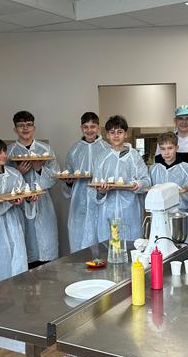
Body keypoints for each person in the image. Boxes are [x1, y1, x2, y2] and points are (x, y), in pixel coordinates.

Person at [8, 111, 60, 268]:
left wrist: (39, 169)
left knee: (46, 247)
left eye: (29, 125)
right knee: (26, 246)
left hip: (43, 203)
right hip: (20, 205)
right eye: (21, 125)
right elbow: (3, 181)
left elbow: (55, 176)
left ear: (34, 127)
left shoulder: (45, 149)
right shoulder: (9, 151)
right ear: (15, 129)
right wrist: (18, 173)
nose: (25, 128)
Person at [0, 137, 35, 284]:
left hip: (15, 221)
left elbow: (24, 191)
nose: (3, 155)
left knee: (18, 256)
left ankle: (19, 288)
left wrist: (29, 198)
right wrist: (8, 203)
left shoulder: (14, 173)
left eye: (4, 152)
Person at [93, 115, 150, 243]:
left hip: (130, 211)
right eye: (112, 132)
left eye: (120, 132)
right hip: (107, 212)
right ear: (107, 135)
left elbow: (146, 180)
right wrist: (101, 192)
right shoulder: (102, 158)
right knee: (110, 248)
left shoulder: (134, 156)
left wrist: (138, 184)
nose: (116, 136)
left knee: (131, 247)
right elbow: (95, 186)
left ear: (126, 134)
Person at [155, 105, 188, 238]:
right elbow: (159, 163)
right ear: (175, 120)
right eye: (180, 118)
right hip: (166, 198)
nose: (184, 122)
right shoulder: (167, 139)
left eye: (187, 118)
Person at [63, 112, 110, 253]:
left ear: (98, 127)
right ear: (81, 128)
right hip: (79, 202)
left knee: (102, 237)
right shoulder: (74, 150)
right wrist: (69, 183)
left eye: (93, 126)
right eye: (86, 127)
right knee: (79, 238)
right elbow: (67, 176)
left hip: (102, 200)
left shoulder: (107, 149)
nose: (89, 130)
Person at [150, 133, 188, 242]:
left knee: (181, 244)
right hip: (159, 217)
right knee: (161, 244)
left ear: (177, 148)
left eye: (170, 148)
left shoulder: (186, 169)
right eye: (163, 149)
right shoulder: (154, 169)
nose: (166, 152)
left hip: (181, 216)